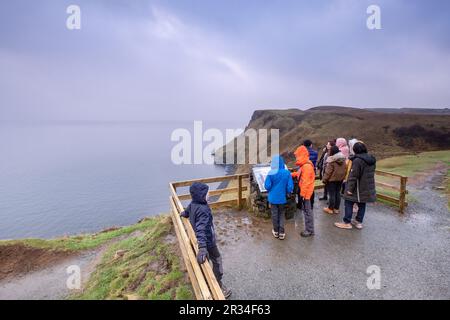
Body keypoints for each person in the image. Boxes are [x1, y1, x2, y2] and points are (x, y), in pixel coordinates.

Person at [181, 182, 232, 298]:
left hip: (202, 240)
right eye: (207, 193)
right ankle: (217, 285)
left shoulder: (193, 203)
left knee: (207, 260)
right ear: (201, 195)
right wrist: (203, 248)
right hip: (208, 242)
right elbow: (201, 229)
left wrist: (184, 213)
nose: (209, 194)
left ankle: (208, 280)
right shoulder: (203, 209)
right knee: (217, 260)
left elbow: (188, 210)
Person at [335, 142, 376, 230]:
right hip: (366, 187)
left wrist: (349, 189)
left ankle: (347, 222)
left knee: (348, 202)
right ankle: (358, 222)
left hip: (357, 187)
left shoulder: (358, 161)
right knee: (362, 203)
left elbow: (353, 176)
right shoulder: (371, 160)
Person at [264, 155, 294, 240]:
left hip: (273, 198)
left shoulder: (271, 172)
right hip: (282, 198)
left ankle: (276, 231)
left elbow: (267, 186)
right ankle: (282, 232)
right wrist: (287, 192)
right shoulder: (287, 173)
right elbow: (290, 186)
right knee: (281, 214)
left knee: (274, 214)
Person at [291, 146, 316, 237]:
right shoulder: (304, 165)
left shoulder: (307, 167)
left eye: (297, 156)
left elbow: (306, 182)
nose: (296, 158)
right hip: (306, 193)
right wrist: (290, 174)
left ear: (301, 155)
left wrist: (302, 195)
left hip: (307, 194)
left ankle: (309, 230)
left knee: (307, 212)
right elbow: (299, 174)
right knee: (307, 211)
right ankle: (309, 229)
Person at [322, 145, 347, 214]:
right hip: (340, 179)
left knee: (332, 194)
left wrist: (324, 179)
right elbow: (345, 169)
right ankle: (336, 208)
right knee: (337, 193)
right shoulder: (343, 159)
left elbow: (328, 172)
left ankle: (330, 208)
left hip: (332, 180)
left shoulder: (332, 160)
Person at [302, 139, 318, 208]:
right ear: (311, 145)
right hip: (312, 171)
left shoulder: (302, 153)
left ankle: (303, 203)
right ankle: (311, 203)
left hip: (304, 171)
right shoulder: (315, 153)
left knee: (303, 186)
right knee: (311, 187)